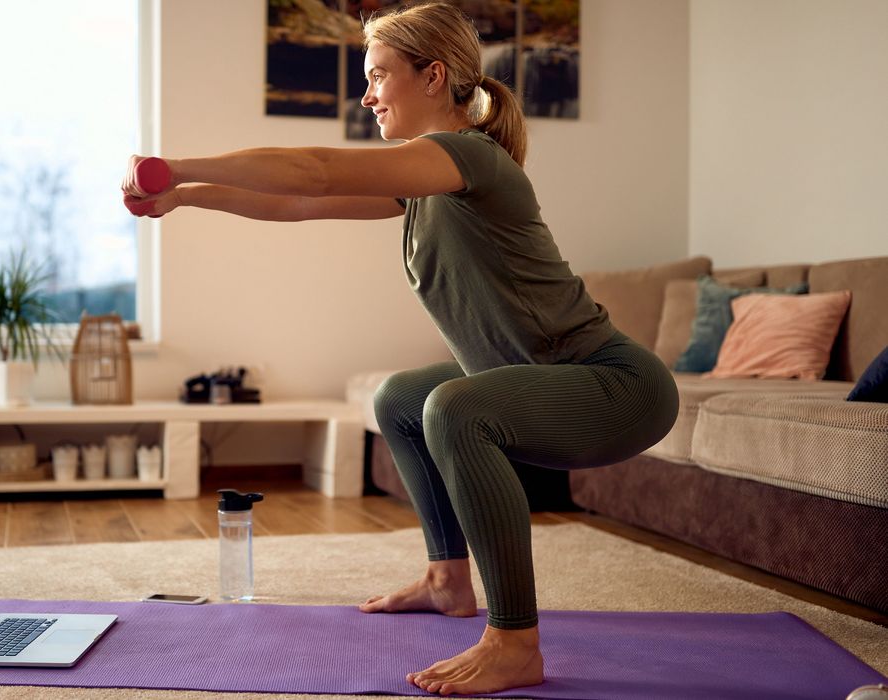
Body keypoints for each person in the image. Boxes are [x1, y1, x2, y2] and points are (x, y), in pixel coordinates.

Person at [121, 3, 678, 695]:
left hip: (615, 388)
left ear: (434, 76)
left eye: (379, 75)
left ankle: (514, 641)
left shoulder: (471, 156)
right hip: (548, 379)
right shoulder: (420, 188)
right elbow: (298, 203)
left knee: (454, 408)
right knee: (402, 398)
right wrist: (185, 195)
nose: (367, 93)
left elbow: (316, 170)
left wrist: (175, 163)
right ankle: (448, 579)